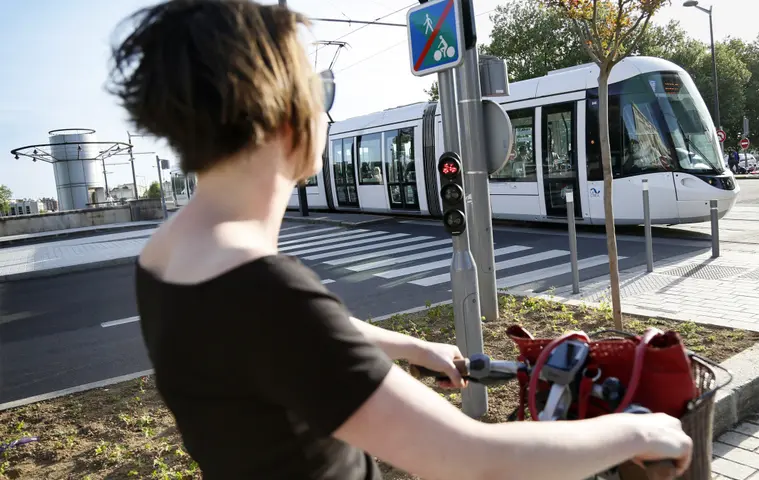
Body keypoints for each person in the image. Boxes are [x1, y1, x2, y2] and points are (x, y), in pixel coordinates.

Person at [112, 1, 693, 479]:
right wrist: (639, 430)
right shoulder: (264, 292)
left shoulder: (164, 256)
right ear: (286, 114)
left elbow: (291, 339)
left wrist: (413, 349)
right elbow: (472, 460)